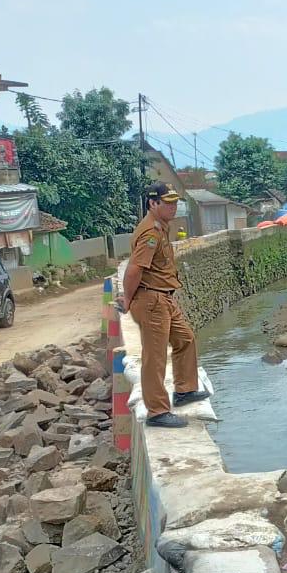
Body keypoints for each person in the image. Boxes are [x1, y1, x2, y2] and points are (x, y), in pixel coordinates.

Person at [120, 182, 209, 428]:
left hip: (163, 297)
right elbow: (134, 270)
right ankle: (157, 412)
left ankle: (185, 390)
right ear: (153, 203)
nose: (173, 206)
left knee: (185, 339)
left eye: (174, 202)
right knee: (155, 357)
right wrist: (127, 301)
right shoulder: (150, 233)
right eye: (167, 202)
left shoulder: (160, 228)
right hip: (152, 301)